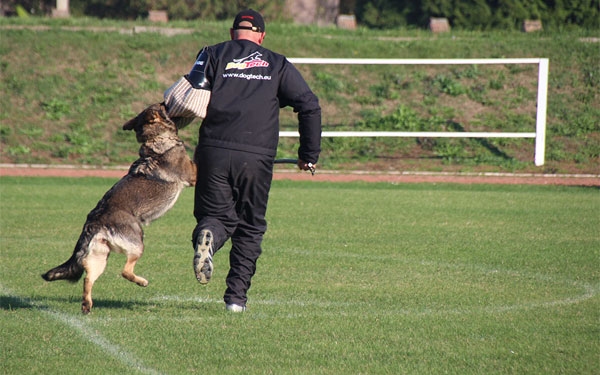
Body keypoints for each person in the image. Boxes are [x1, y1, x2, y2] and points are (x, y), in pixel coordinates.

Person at [163, 9, 322, 312]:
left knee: (214, 216)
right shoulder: (277, 63)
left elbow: (185, 94)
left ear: (232, 32)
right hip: (256, 156)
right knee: (249, 226)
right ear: (261, 35)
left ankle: (208, 235)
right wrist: (308, 155)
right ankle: (236, 300)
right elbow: (309, 106)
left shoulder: (212, 54)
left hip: (213, 151)